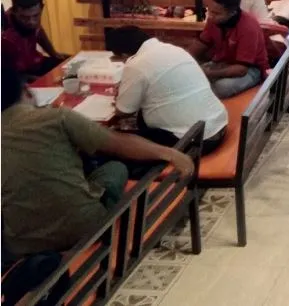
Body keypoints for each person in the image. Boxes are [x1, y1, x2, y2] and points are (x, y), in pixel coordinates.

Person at [1, 67, 194, 257]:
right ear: (27, 91)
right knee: (115, 168)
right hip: (85, 228)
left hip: (24, 244)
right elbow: (118, 144)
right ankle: (106, 219)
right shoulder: (57, 118)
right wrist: (168, 153)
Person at [106, 27, 229, 156]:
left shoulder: (136, 64)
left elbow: (124, 111)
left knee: (115, 142)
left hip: (195, 140)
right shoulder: (173, 49)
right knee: (143, 114)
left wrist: (121, 97)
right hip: (216, 127)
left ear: (125, 55)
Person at [187, 0, 268, 98]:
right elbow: (200, 45)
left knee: (222, 87)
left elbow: (241, 70)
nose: (210, 16)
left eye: (216, 13)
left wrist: (209, 74)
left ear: (232, 13)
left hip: (251, 69)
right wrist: (183, 61)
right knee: (188, 77)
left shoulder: (248, 28)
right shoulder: (213, 20)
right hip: (222, 62)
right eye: (209, 11)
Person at [2, 0, 67, 78]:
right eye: (24, 17)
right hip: (16, 74)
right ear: (14, 11)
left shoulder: (31, 21)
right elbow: (7, 75)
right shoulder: (4, 32)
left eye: (36, 16)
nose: (31, 22)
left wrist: (54, 54)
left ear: (41, 9)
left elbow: (39, 32)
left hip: (35, 63)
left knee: (69, 64)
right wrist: (40, 80)